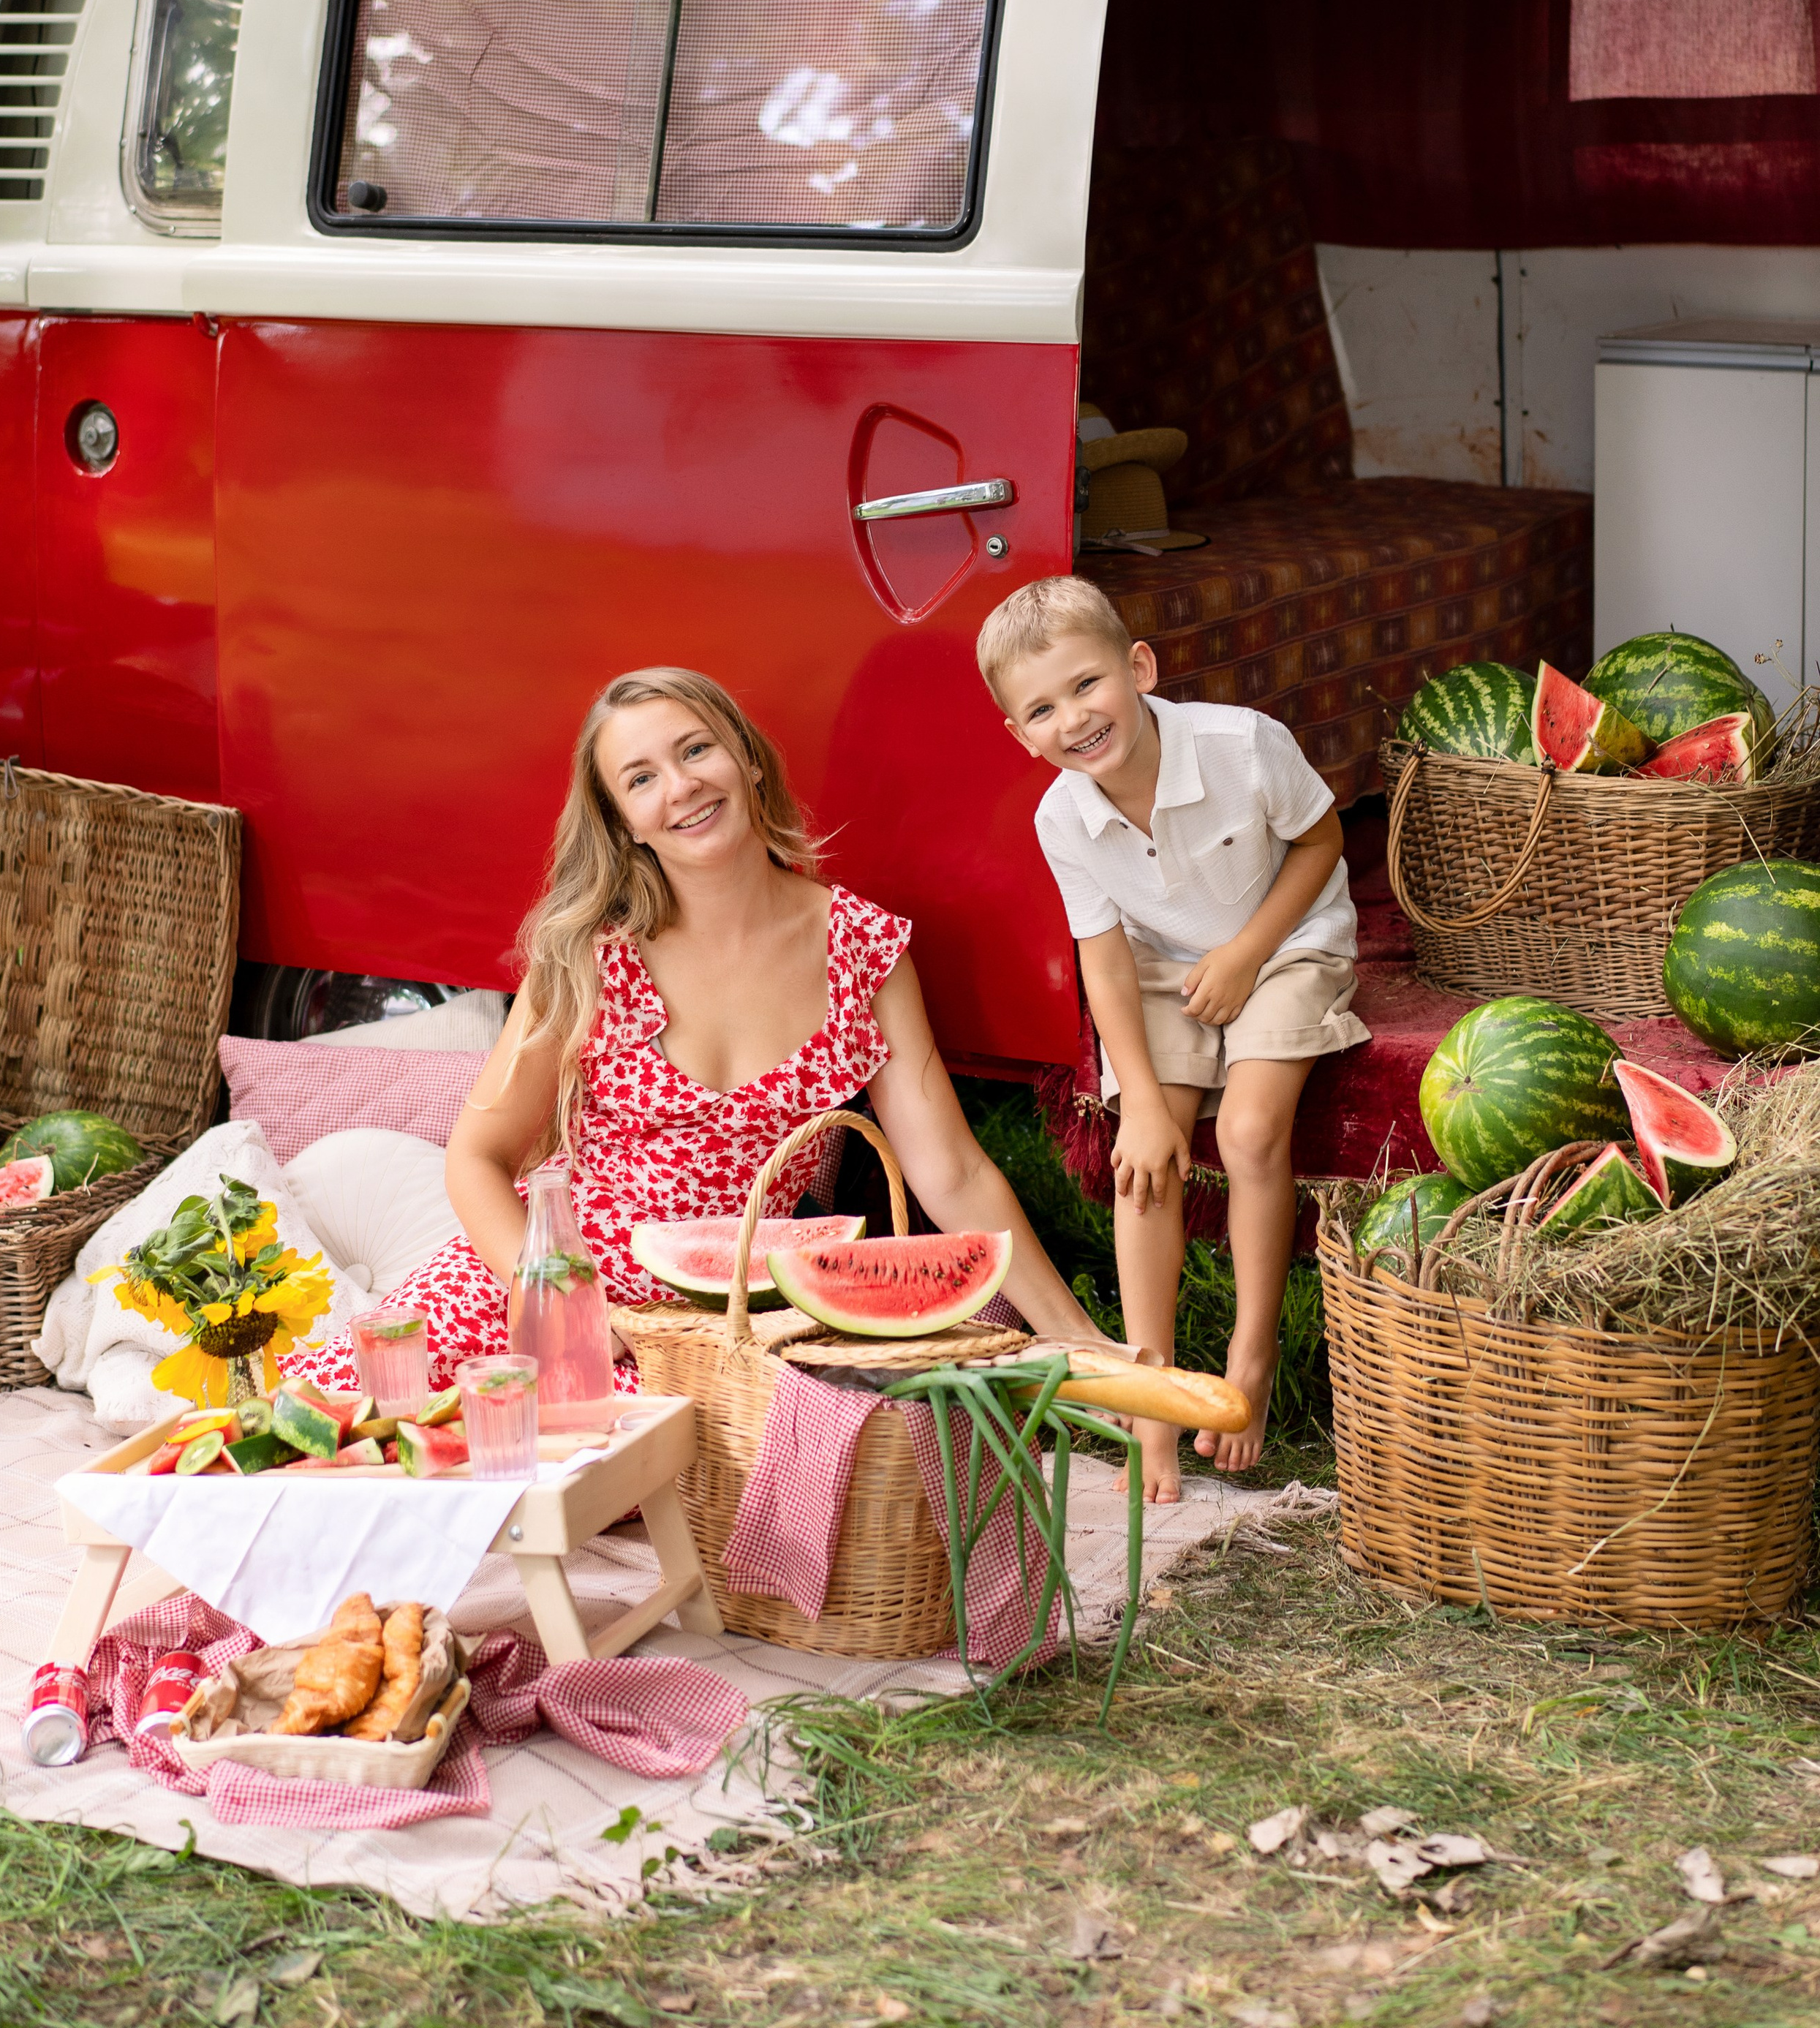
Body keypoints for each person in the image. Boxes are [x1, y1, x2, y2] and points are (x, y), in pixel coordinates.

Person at [289, 665, 1106, 1394]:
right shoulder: (588, 956)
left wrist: (1081, 1341)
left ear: (749, 760)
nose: (680, 787)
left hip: (721, 1336)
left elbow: (951, 1170)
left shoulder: (863, 946)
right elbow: (477, 1158)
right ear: (624, 822)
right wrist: (557, 1297)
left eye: (696, 750)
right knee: (330, 1435)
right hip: (537, 1299)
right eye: (641, 778)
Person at [978, 577, 1366, 1496]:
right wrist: (1145, 1105)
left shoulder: (1243, 745)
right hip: (1161, 965)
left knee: (1248, 1131)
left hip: (1288, 941)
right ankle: (1150, 1390)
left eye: (1086, 685)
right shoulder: (1060, 816)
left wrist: (1243, 955)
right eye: (1042, 709)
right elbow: (1106, 960)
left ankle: (1249, 1357)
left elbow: (1321, 846)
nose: (1074, 718)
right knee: (1143, 1160)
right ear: (1019, 734)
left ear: (1139, 668)